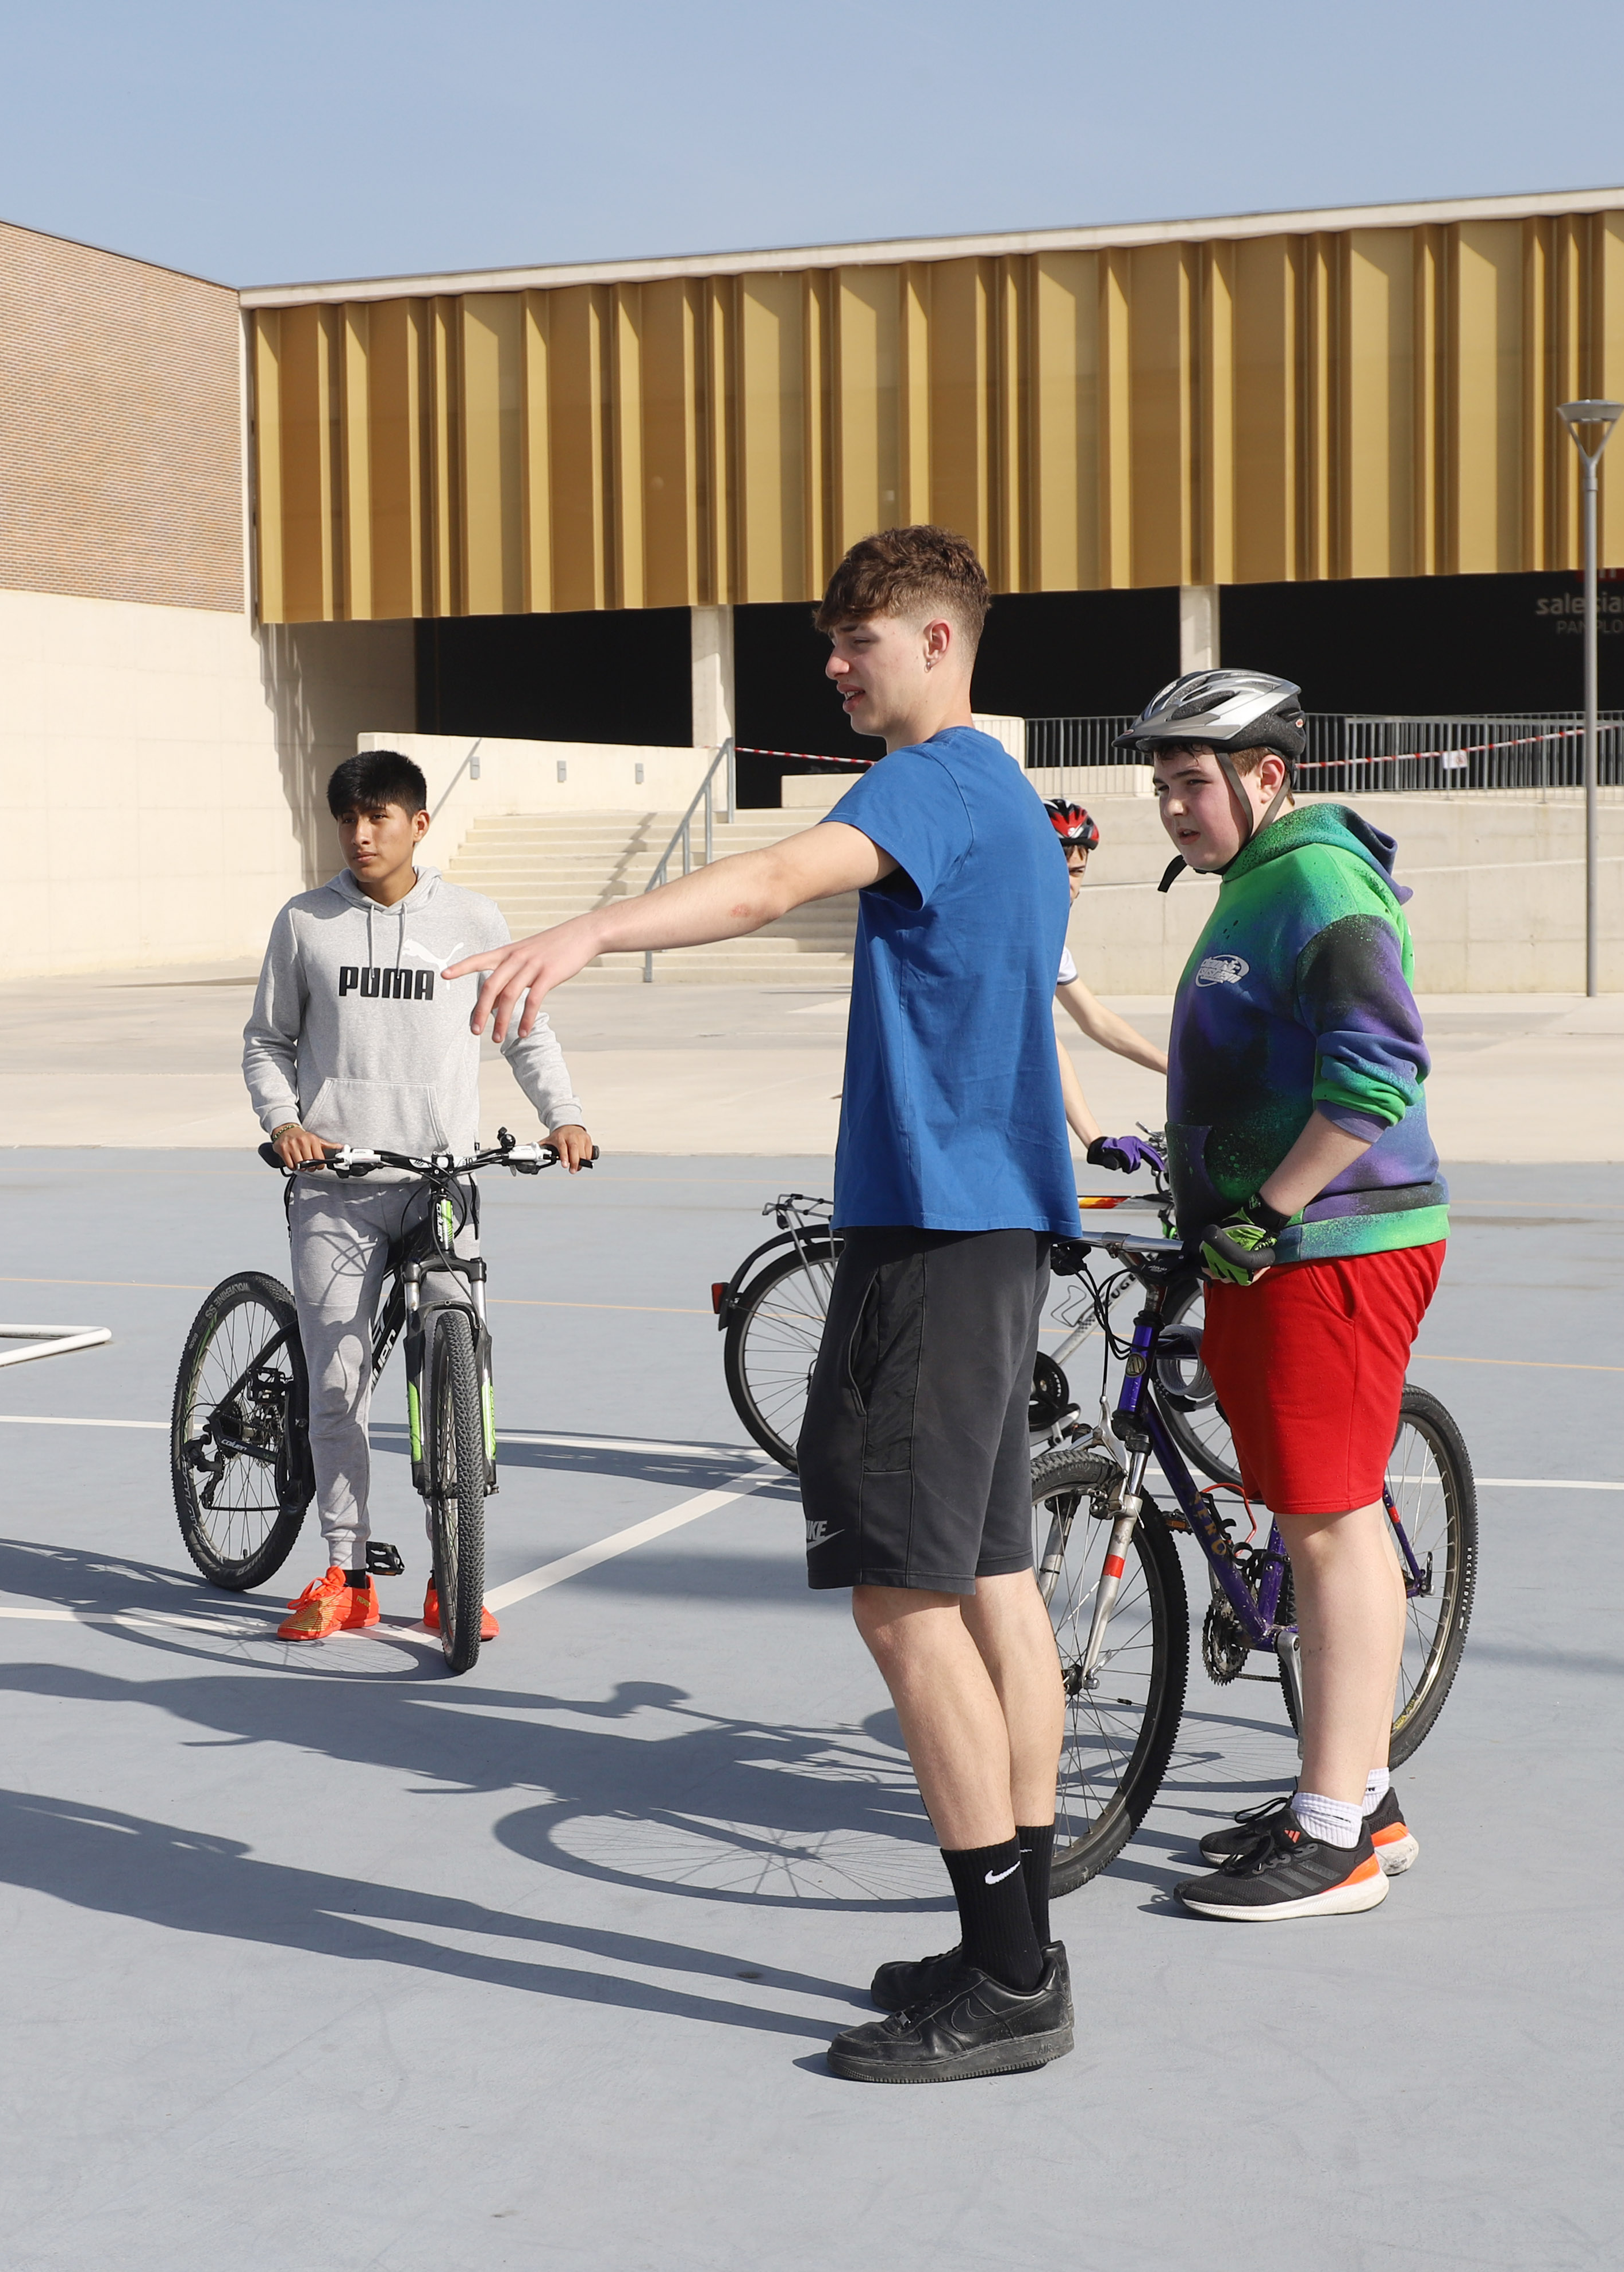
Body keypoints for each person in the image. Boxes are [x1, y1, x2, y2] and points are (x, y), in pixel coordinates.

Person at [450, 525, 1082, 2083]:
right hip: (990, 1236)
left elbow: (774, 882)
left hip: (930, 1238)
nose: (832, 664)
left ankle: (1008, 1986)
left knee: (899, 1599)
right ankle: (1012, 1937)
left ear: (936, 640)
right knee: (994, 1583)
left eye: (855, 639)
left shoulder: (932, 782)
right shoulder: (1006, 791)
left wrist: (594, 925)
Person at [1120, 669, 1446, 1921]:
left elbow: (1376, 1070)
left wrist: (1273, 1203)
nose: (1172, 807)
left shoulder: (1316, 877)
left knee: (1325, 1522)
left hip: (1333, 1246)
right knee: (1315, 1514)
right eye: (1160, 786)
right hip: (1273, 1246)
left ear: (1268, 776)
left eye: (1192, 781)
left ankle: (1338, 1839)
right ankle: (1360, 1793)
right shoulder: (1258, 880)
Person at [241, 748, 593, 1644]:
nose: (361, 835)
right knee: (338, 1377)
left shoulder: (473, 918)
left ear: (418, 825)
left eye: (380, 818)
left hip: (442, 1183)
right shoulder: (306, 922)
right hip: (337, 1187)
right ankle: (346, 1569)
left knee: (459, 1368)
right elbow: (266, 1042)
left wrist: (564, 1117)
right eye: (348, 820)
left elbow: (525, 1031)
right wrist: (287, 1122)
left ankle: (453, 1575)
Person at [1046, 798, 1173, 1177]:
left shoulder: (1047, 941)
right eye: (1057, 871)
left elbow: (1094, 1020)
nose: (1068, 886)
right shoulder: (1003, 933)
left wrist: (1174, 1069)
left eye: (1077, 872)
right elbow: (1038, 1037)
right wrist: (1092, 1137)